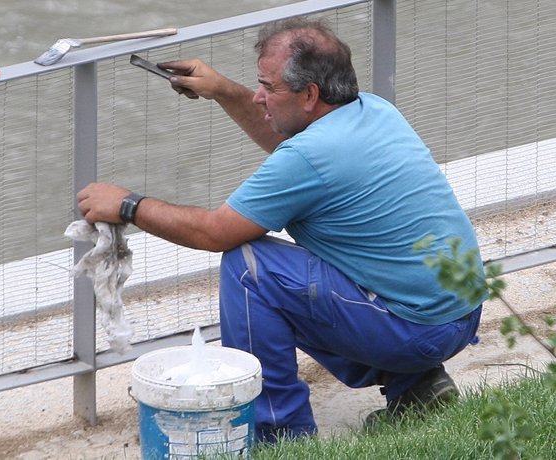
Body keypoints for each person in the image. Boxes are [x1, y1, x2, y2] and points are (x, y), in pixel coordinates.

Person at [77, 18, 485, 442]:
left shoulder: (310, 156)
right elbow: (284, 138)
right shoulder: (374, 110)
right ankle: (418, 388)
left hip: (414, 331)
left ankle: (280, 434)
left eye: (267, 88)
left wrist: (128, 205)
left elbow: (215, 232)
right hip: (459, 314)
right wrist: (222, 90)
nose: (259, 97)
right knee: (339, 269)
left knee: (250, 268)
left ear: (309, 94)